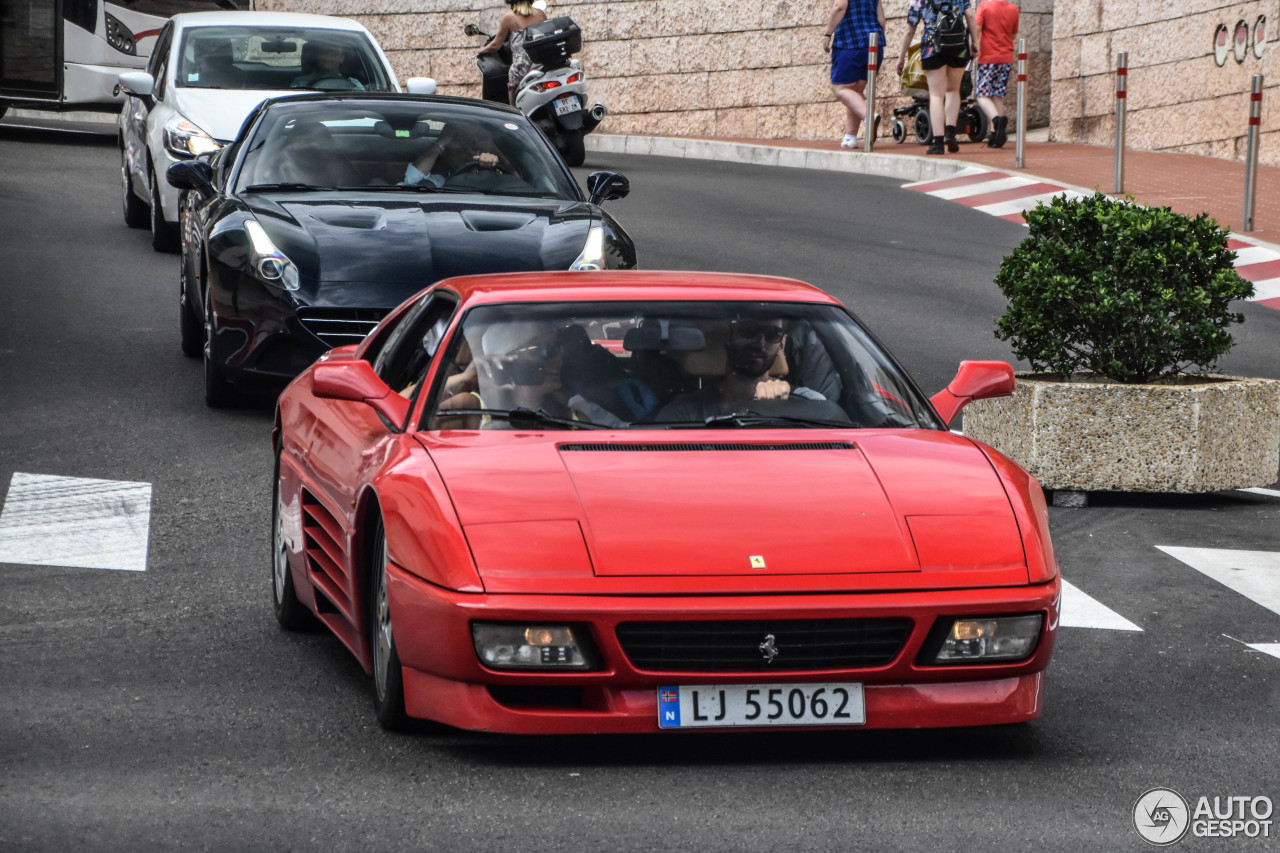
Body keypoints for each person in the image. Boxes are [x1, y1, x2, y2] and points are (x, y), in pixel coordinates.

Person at [654, 319, 848, 423]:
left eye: (772, 334)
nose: (759, 342)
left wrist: (783, 410)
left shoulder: (809, 404)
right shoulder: (683, 413)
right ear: (727, 336)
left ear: (782, 345)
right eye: (748, 330)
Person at [896, 0, 978, 155]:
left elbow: (910, 28)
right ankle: (950, 133)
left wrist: (901, 57)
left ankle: (938, 142)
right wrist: (975, 42)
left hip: (932, 46)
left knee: (936, 95)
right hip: (958, 45)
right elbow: (970, 16)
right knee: (954, 91)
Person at [822, 0, 886, 150]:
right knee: (855, 90)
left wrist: (827, 34)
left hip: (850, 43)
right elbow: (882, 21)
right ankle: (851, 137)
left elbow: (840, 6)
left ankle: (869, 117)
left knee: (840, 88)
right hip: (875, 42)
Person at [476, 0, 548, 105]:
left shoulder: (509, 17)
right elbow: (549, 33)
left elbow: (496, 45)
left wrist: (482, 50)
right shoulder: (540, 14)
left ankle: (514, 111)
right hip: (541, 64)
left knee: (512, 73)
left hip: (522, 69)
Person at [403, 122, 508, 187]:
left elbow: (520, 183)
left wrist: (494, 157)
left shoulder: (495, 175)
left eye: (475, 147)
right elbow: (411, 180)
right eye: (463, 147)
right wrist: (441, 143)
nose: (470, 152)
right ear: (447, 153)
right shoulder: (439, 182)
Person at [974, 0, 1018, 148]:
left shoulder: (984, 6)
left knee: (982, 95)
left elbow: (977, 28)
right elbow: (1013, 35)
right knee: (998, 95)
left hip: (988, 57)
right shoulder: (1013, 9)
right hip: (1006, 57)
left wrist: (972, 46)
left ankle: (996, 120)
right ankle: (995, 135)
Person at [292, 40, 365, 90]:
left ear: (342, 58)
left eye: (334, 53)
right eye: (324, 52)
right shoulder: (300, 83)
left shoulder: (353, 84)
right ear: (317, 56)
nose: (328, 58)